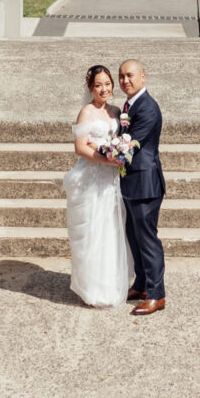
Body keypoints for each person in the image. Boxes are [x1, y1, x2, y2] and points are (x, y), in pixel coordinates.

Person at [64, 64, 132, 307]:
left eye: (107, 84)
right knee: (94, 230)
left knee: (113, 229)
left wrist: (120, 154)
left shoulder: (116, 111)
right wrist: (108, 159)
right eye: (98, 85)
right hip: (93, 177)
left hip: (112, 180)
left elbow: (121, 138)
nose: (104, 89)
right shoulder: (86, 112)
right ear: (91, 88)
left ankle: (113, 283)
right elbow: (81, 147)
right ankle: (92, 288)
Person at [118, 58, 166, 314]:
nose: (125, 80)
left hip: (145, 183)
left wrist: (104, 151)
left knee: (147, 240)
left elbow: (129, 144)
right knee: (134, 236)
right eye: (122, 76)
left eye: (130, 75)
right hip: (130, 182)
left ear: (143, 77)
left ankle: (157, 295)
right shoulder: (128, 106)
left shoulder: (147, 108)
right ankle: (142, 284)